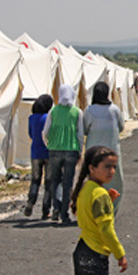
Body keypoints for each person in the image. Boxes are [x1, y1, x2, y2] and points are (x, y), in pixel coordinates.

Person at [71, 146, 127, 275]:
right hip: (95, 252)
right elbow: (106, 230)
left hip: (82, 249)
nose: (112, 171)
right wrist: (120, 254)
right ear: (92, 168)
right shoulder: (100, 195)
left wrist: (109, 201)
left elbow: (88, 213)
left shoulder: (86, 188)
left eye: (114, 167)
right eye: (107, 167)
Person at [43, 84, 84, 224]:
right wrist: (80, 150)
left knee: (55, 181)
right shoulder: (77, 112)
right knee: (68, 183)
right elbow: (80, 133)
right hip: (71, 149)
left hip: (54, 150)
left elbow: (45, 132)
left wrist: (49, 144)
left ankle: (56, 209)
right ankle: (64, 213)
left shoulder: (53, 111)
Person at [84, 82, 125, 215]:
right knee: (115, 181)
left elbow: (85, 129)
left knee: (95, 182)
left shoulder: (89, 110)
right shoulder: (114, 109)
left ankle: (95, 210)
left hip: (93, 151)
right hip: (112, 150)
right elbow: (121, 127)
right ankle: (111, 209)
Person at [25, 94, 54, 219]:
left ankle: (30, 202)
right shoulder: (49, 118)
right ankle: (45, 210)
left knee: (35, 180)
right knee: (49, 183)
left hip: (35, 153)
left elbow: (31, 134)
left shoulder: (31, 118)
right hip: (48, 152)